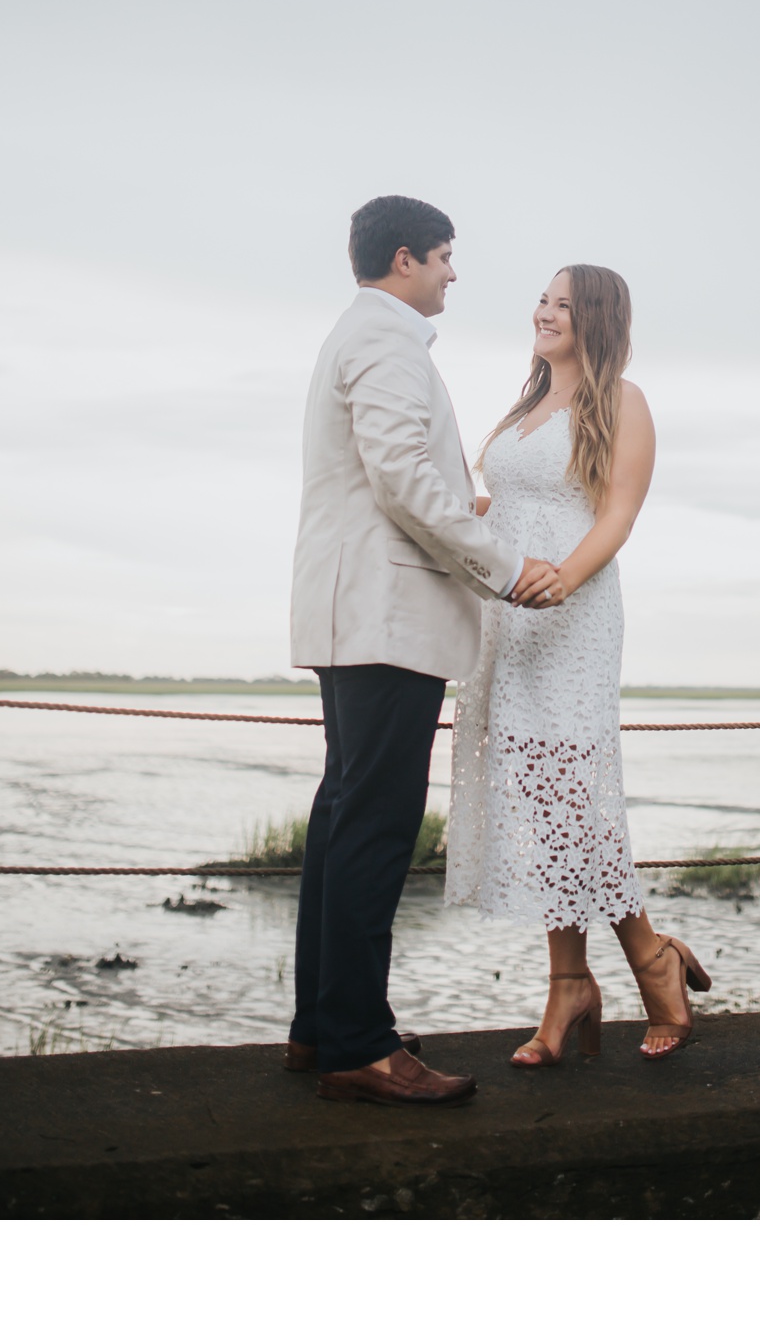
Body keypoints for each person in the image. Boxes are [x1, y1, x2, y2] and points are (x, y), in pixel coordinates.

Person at [287, 195, 561, 1107]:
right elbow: (402, 477)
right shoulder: (389, 340)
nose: (453, 273)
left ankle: (323, 1026)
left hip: (358, 609)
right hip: (386, 614)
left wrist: (470, 505)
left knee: (341, 819)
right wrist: (506, 562)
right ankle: (359, 1044)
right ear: (405, 259)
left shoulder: (359, 333)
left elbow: (393, 475)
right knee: (373, 827)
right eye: (445, 256)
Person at [446, 264, 711, 1063]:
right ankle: (570, 984)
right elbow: (512, 502)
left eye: (563, 304)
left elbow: (619, 509)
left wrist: (567, 574)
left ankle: (645, 957)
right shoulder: (526, 403)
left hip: (574, 606)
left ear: (595, 318)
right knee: (535, 790)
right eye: (542, 300)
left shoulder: (622, 400)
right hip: (509, 611)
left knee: (569, 785)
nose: (545, 312)